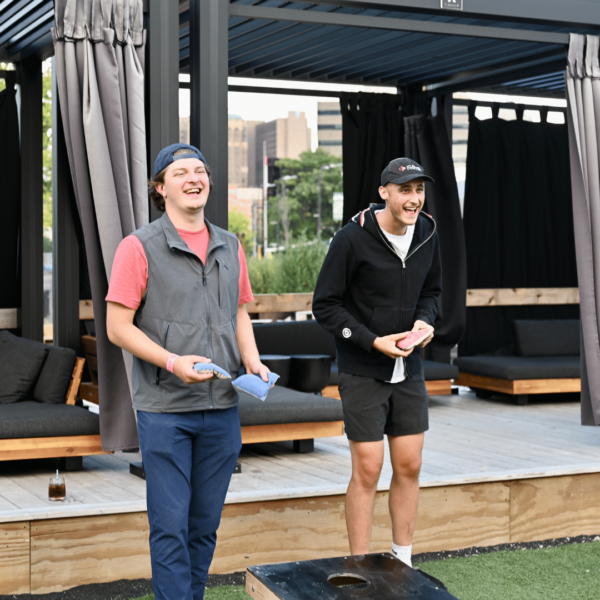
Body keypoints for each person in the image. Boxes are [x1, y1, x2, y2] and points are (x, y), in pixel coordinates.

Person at [105, 143, 269, 600]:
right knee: (171, 525)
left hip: (222, 409)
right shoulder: (138, 247)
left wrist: (251, 359)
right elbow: (118, 327)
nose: (194, 178)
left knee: (204, 526)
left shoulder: (230, 244)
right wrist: (172, 362)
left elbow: (238, 313)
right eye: (181, 173)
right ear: (161, 188)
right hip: (165, 410)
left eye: (200, 171)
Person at [312, 157, 442, 568]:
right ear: (384, 192)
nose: (414, 199)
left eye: (419, 190)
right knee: (368, 470)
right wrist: (372, 342)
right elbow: (324, 306)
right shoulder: (352, 238)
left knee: (410, 464)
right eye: (405, 190)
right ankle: (360, 567)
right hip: (363, 368)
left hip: (410, 369)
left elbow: (433, 292)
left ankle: (402, 561)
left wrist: (425, 321)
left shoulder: (428, 232)